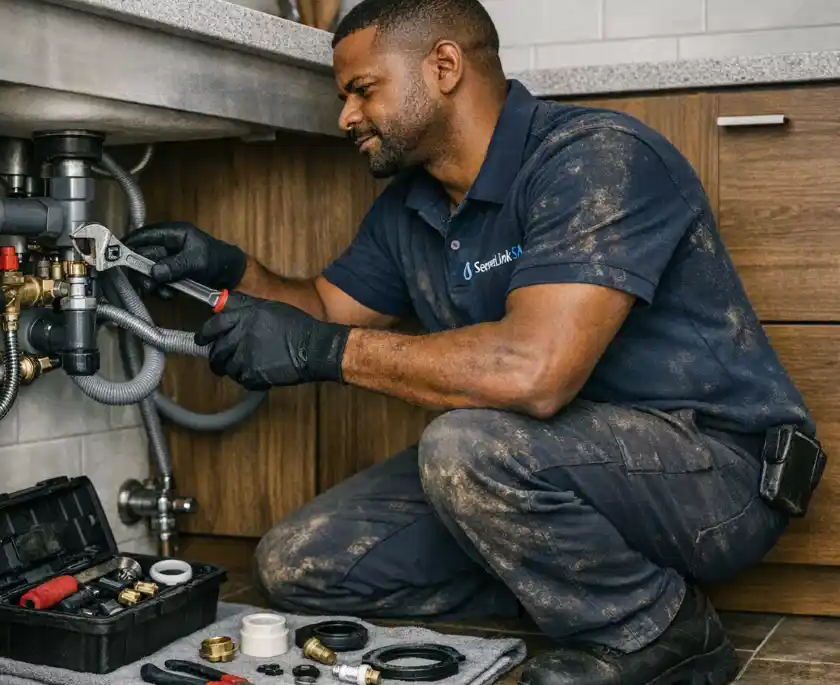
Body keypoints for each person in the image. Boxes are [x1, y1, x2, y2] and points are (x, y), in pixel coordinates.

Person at [123, 0, 815, 682]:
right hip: (542, 465)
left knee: (462, 445)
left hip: (715, 474)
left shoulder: (594, 158)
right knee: (299, 564)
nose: (346, 117)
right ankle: (562, 583)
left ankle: (658, 627)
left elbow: (534, 372)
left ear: (445, 66)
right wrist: (231, 269)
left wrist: (326, 351)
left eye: (362, 90)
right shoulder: (413, 206)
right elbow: (325, 308)